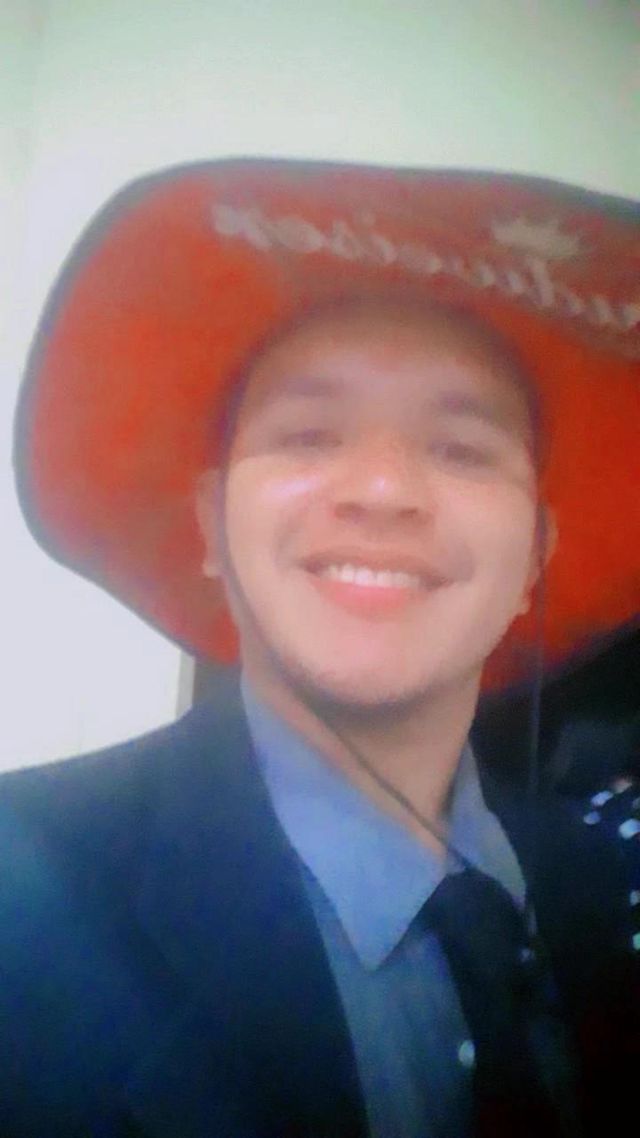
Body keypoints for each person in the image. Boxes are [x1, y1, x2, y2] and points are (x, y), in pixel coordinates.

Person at [4, 159, 639, 1137]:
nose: (382, 491)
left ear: (534, 561)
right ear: (211, 528)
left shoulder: (604, 888)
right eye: (306, 436)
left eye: (462, 449)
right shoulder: (20, 890)